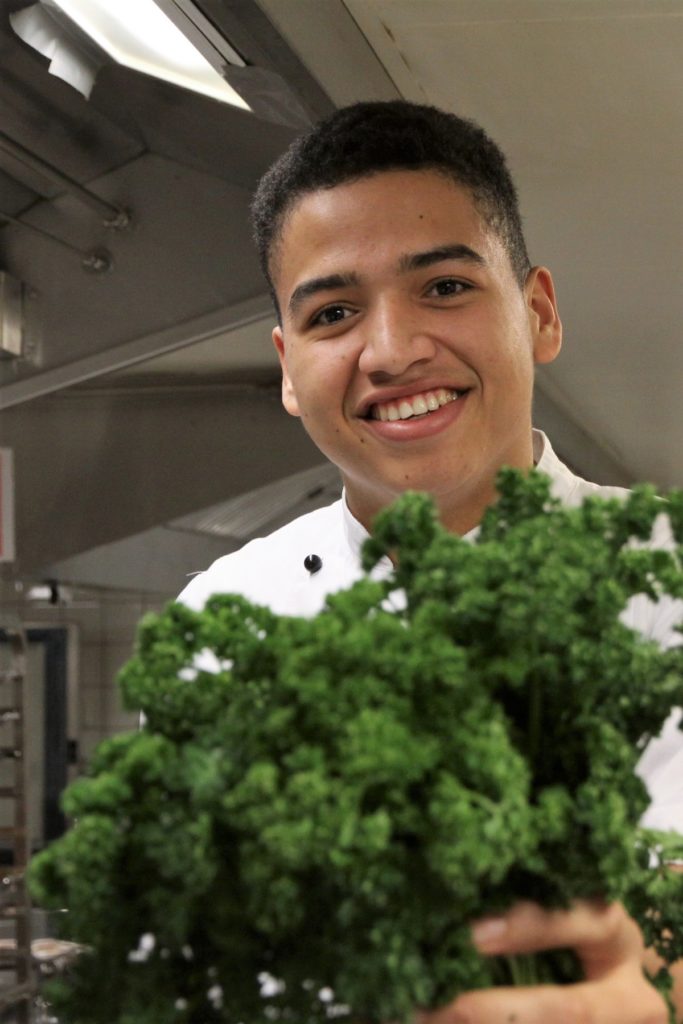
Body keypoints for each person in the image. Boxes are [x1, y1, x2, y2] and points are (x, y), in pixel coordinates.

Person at [179, 101, 683, 1023]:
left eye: (444, 288)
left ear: (536, 312)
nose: (393, 350)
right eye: (334, 312)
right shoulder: (220, 622)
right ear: (289, 369)